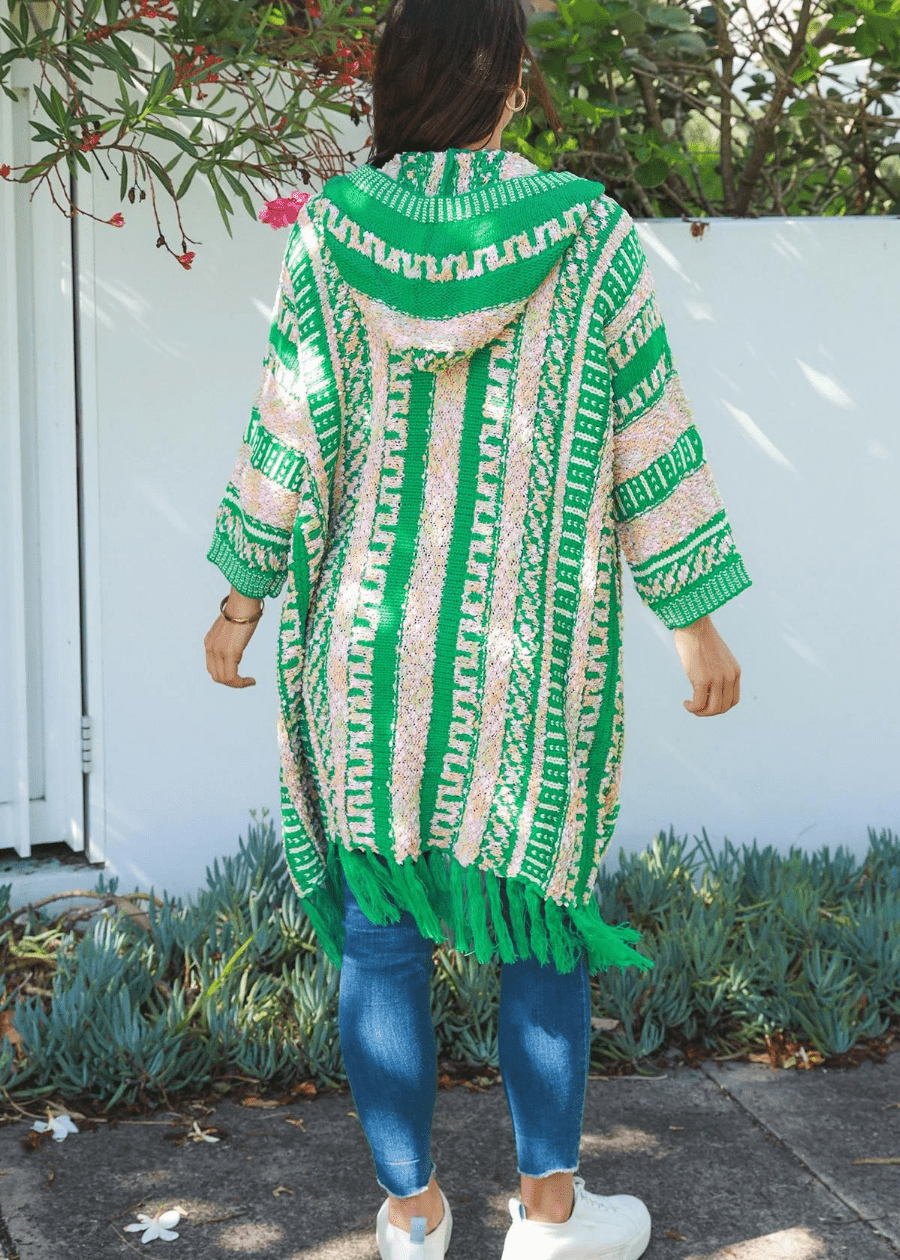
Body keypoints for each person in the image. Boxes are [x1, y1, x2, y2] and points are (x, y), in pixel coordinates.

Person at [203, 1, 752, 1256]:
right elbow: (648, 434)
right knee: (541, 916)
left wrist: (240, 602)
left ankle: (413, 1217)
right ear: (504, 88)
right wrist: (694, 622)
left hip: (363, 648)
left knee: (382, 933)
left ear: (399, 86)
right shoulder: (589, 235)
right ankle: (550, 1219)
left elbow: (285, 424)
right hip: (530, 652)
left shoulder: (333, 233)